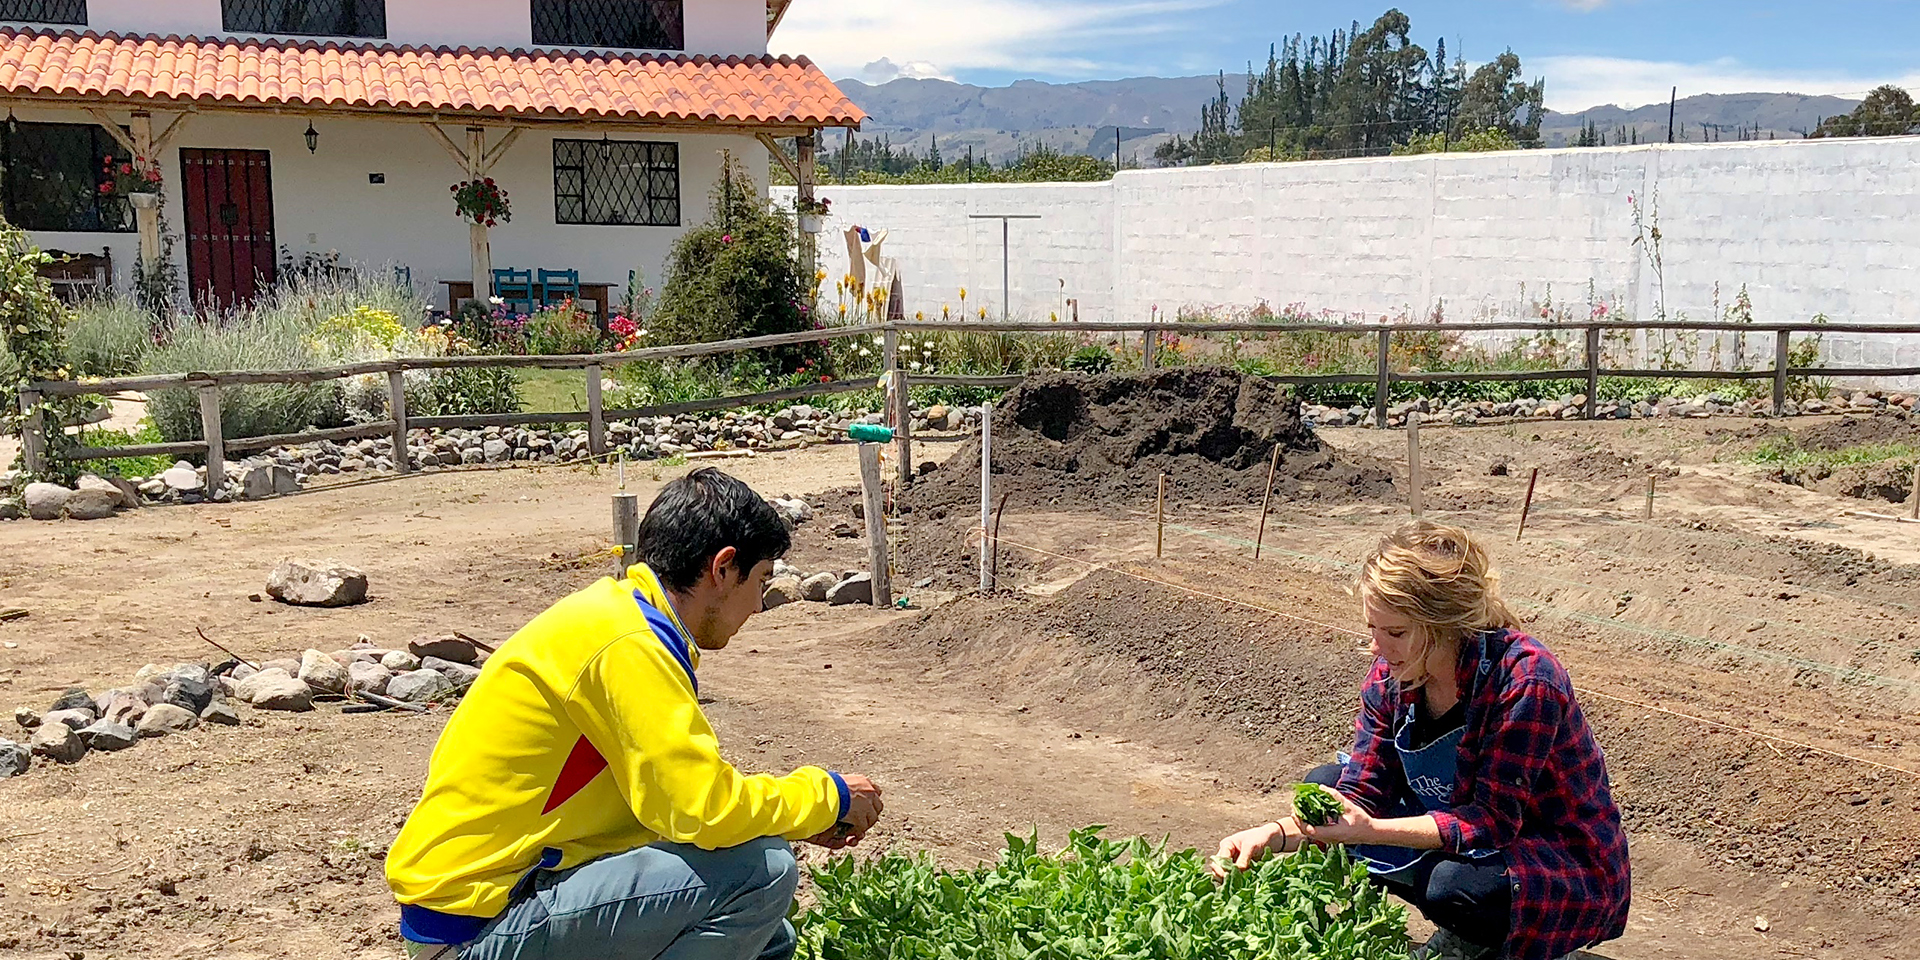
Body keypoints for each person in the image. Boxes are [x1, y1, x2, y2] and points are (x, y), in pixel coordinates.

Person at [386, 467, 884, 960]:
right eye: (761, 581)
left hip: (478, 908)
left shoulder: (622, 619)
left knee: (768, 939)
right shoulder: (628, 645)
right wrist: (830, 797)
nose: (758, 604)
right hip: (475, 931)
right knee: (762, 872)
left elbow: (666, 805)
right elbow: (701, 809)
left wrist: (785, 820)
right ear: (723, 567)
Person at [1212, 521, 1628, 960]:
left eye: (1395, 633)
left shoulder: (1524, 680)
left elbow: (1492, 821)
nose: (1376, 647)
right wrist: (1273, 833)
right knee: (1326, 784)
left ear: (1445, 626)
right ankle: (1470, 929)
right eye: (1374, 628)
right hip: (1468, 835)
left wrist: (1371, 831)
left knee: (1454, 886)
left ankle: (1514, 938)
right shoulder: (1395, 675)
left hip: (1563, 860)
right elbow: (1360, 790)